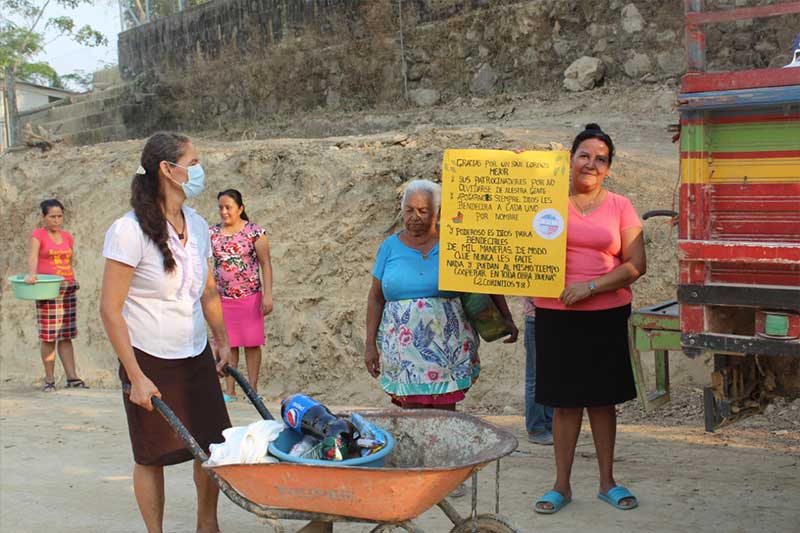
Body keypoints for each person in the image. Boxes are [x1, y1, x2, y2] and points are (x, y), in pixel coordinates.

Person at [99, 131, 232, 533]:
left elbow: (207, 290)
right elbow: (109, 308)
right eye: (193, 163)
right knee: (151, 454)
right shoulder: (128, 230)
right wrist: (136, 376)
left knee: (212, 446)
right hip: (149, 358)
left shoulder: (197, 224)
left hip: (194, 354)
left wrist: (221, 339)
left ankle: (206, 525)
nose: (199, 170)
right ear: (167, 170)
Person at [532, 124, 646, 515]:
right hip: (554, 314)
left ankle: (607, 483)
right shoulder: (544, 204)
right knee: (564, 404)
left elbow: (636, 265)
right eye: (584, 155)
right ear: (570, 159)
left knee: (601, 402)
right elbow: (509, 232)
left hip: (605, 314)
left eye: (601, 159)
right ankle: (560, 486)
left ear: (609, 168)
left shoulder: (621, 207)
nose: (591, 164)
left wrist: (591, 286)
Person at [364, 179, 518, 411]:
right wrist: (369, 345)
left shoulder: (456, 242)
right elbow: (376, 298)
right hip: (403, 349)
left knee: (444, 411)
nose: (414, 216)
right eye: (408, 210)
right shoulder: (389, 247)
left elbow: (484, 280)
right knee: (412, 413)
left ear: (437, 212)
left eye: (422, 211)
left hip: (447, 347)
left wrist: (506, 318)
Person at [210, 189, 273, 403]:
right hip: (222, 298)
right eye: (221, 207)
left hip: (250, 295)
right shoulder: (212, 233)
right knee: (229, 343)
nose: (224, 211)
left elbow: (266, 264)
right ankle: (230, 391)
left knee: (252, 343)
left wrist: (268, 295)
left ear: (240, 209)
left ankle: (253, 389)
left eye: (229, 207)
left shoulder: (254, 232)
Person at [25, 199, 87, 392]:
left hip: (66, 287)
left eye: (59, 216)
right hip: (47, 289)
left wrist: (73, 279)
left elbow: (69, 260)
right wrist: (32, 274)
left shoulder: (67, 237)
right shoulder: (38, 235)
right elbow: (33, 256)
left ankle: (72, 378)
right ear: (44, 217)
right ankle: (49, 379)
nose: (56, 220)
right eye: (52, 216)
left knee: (66, 335)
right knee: (49, 336)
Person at [523, 299, 553, 445]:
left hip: (554, 315)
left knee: (551, 375)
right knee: (535, 376)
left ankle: (550, 424)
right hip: (536, 317)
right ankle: (536, 427)